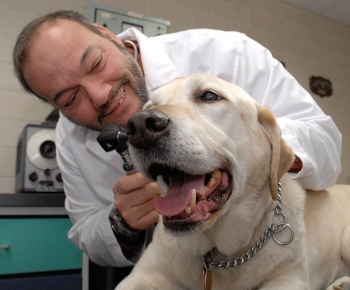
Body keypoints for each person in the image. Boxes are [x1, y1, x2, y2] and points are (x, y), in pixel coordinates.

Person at [13, 10, 342, 267]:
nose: (99, 96)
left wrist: (263, 148)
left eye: (96, 63)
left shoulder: (227, 53)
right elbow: (86, 231)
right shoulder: (68, 138)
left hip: (272, 253)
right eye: (70, 99)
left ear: (106, 34)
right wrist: (124, 222)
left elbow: (325, 145)